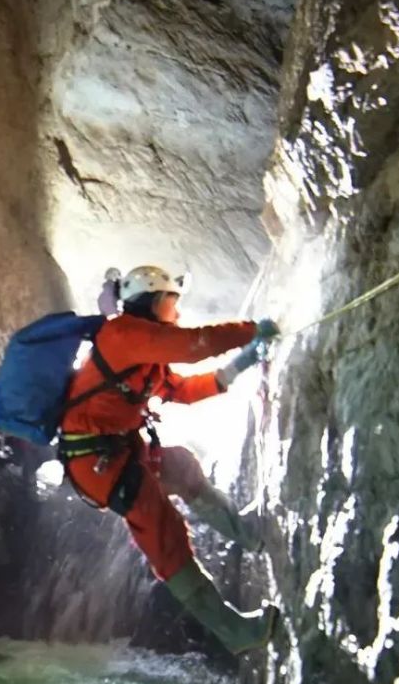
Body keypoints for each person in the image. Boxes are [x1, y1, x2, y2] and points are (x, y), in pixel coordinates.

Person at [58, 264, 280, 654]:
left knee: (182, 466)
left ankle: (248, 534)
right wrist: (250, 329)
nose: (176, 312)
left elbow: (185, 390)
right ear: (157, 300)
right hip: (97, 461)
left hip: (116, 450)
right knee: (166, 537)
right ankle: (235, 632)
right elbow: (194, 344)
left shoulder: (145, 355)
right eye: (173, 302)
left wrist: (241, 363)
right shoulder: (124, 335)